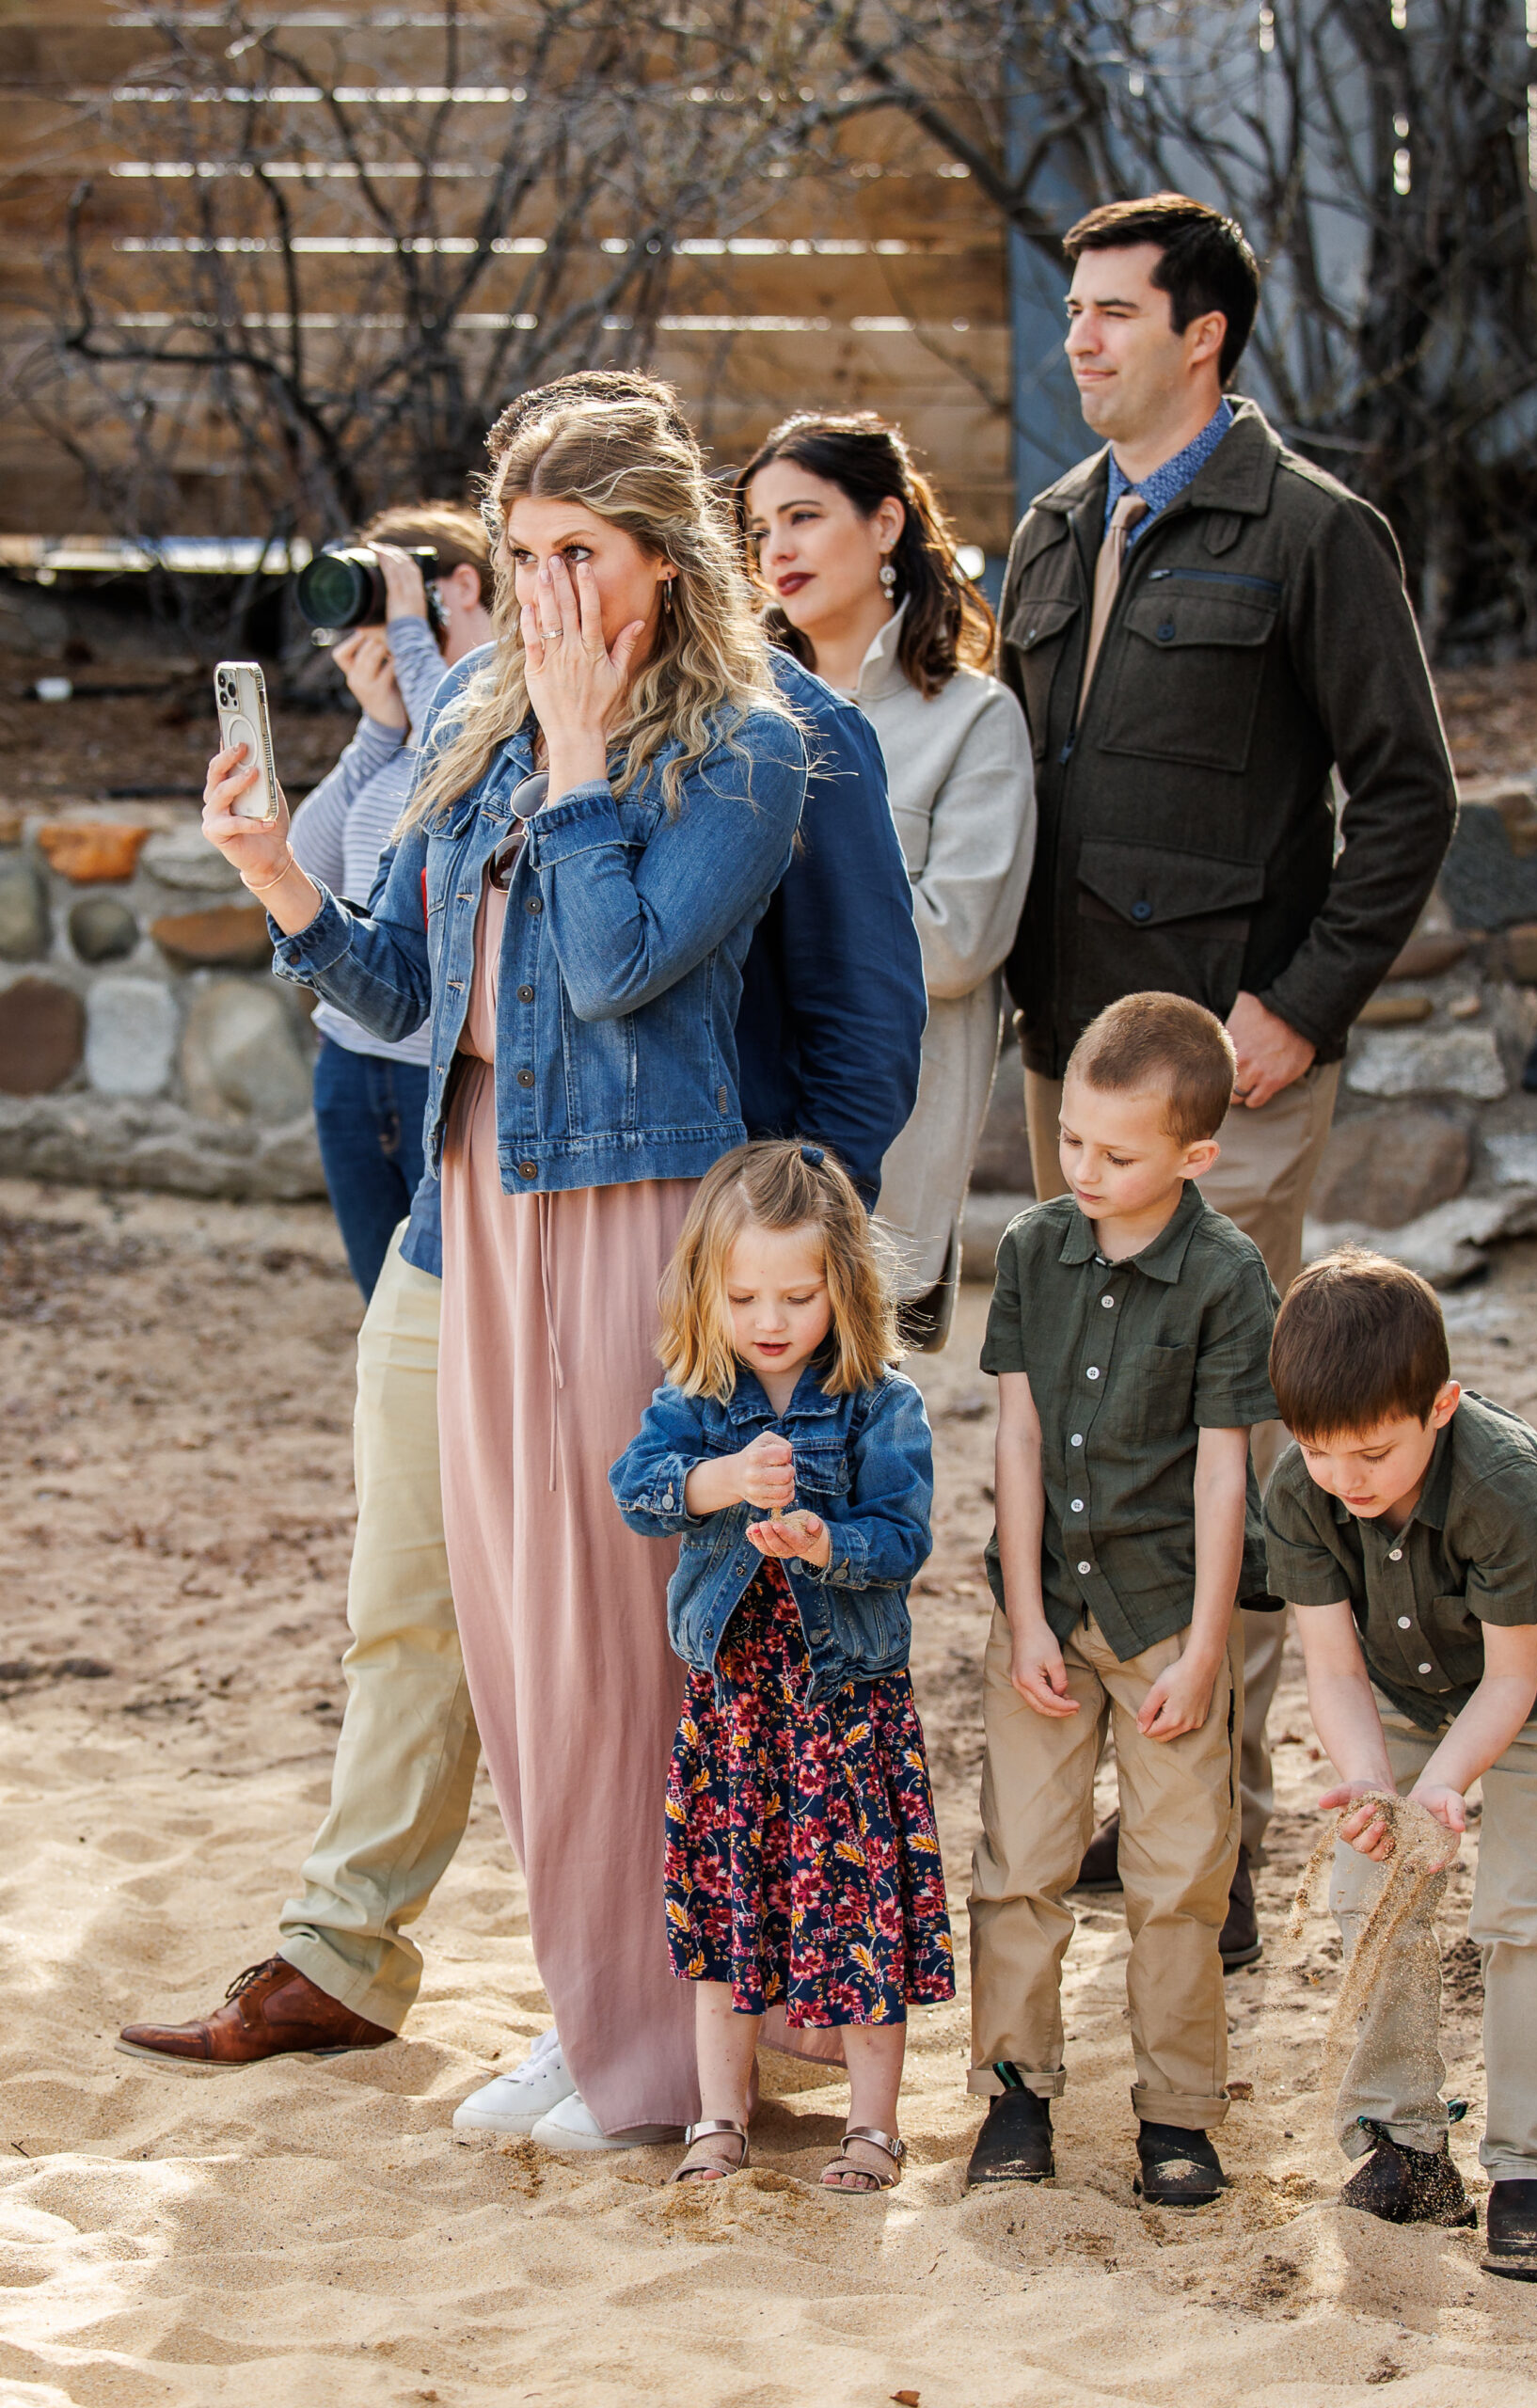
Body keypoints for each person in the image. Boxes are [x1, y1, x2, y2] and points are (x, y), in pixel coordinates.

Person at [115, 372, 926, 2150]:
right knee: (518, 1638)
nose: (545, 587)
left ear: (664, 557)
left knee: (635, 1643)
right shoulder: (482, 715)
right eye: (524, 552)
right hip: (478, 1198)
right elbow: (411, 999)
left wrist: (572, 751)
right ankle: (599, 2007)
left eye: (581, 553)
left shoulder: (751, 739)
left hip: (648, 1217)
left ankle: (656, 2046)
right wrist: (275, 877)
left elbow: (631, 967)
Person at [998, 192, 1457, 1957]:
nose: (1080, 340)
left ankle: (1226, 1845)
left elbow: (1404, 790)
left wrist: (1306, 1004)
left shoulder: (1313, 531)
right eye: (1073, 312)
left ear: (1203, 333)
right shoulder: (1046, 532)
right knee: (1093, 1422)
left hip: (1230, 1092)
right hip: (1070, 1072)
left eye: (1114, 313)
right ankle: (1131, 1799)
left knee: (1219, 1430)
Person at [965, 992, 1279, 2198]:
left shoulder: (1227, 1275)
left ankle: (1178, 2116)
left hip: (1165, 1619)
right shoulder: (1038, 1248)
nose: (1084, 1169)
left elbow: (1221, 1476)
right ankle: (1013, 2096)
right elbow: (1018, 1437)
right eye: (1075, 1143)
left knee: (1180, 1880)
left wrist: (1205, 1653)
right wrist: (1027, 1620)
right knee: (1020, 1865)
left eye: (1118, 1152)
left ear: (1195, 1156)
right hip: (1043, 1612)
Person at [610, 1139, 952, 2191]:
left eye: (797, 1295)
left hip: (842, 1706)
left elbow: (904, 1539)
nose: (769, 1320)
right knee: (730, 1911)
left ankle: (873, 2126)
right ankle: (721, 2116)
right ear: (707, 1294)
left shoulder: (878, 1404)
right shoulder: (697, 1401)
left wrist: (823, 1542)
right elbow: (638, 1486)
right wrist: (716, 1480)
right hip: (736, 1708)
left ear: (842, 1289)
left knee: (861, 1916)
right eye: (745, 1295)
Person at [1263, 1250, 1537, 2279]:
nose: (1345, 1478)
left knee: (1525, 1910)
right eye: (1321, 1451)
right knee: (1373, 1884)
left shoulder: (1500, 1480)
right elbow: (1329, 1665)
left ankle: (1533, 2168)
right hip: (1406, 1688)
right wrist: (1374, 1785)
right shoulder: (1302, 1487)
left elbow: (1511, 1682)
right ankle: (1404, 2143)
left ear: (1442, 1406)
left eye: (1372, 1452)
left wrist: (1442, 1790)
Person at [737, 412, 1035, 1345]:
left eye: (802, 517)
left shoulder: (976, 720)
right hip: (731, 1115)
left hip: (886, 1139)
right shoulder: (726, 712)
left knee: (857, 1427)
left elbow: (956, 943)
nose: (775, 548)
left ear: (886, 524)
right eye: (756, 530)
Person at [290, 506, 495, 1297]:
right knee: (386, 1313)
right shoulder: (403, 731)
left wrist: (412, 640)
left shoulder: (509, 713)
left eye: (398, 603)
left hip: (439, 1072)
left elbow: (462, 773)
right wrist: (375, 730)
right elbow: (307, 864)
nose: (386, 630)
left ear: (461, 587)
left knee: (458, 1312)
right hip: (348, 1059)